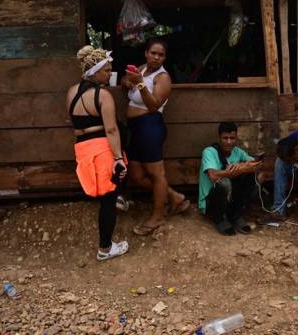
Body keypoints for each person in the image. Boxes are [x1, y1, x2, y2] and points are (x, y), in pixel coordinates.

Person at [67, 45, 129, 261]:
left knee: (108, 194)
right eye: (106, 70)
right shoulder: (103, 96)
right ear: (94, 71)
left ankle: (119, 195)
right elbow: (111, 129)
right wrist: (118, 158)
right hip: (102, 148)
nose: (109, 73)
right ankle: (105, 248)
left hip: (83, 148)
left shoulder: (71, 92)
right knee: (108, 200)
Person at [122, 38, 189, 236]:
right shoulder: (141, 69)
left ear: (165, 58)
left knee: (156, 174)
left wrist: (140, 84)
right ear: (146, 53)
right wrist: (127, 81)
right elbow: (127, 83)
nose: (156, 57)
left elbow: (153, 106)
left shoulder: (163, 78)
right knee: (136, 175)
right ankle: (174, 196)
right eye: (153, 53)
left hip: (150, 127)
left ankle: (158, 216)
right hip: (136, 128)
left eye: (161, 55)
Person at [198, 122, 263, 235]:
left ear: (236, 138)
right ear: (219, 138)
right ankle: (219, 219)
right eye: (225, 138)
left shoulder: (237, 151)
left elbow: (256, 164)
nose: (229, 142)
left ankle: (234, 215)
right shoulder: (209, 152)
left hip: (230, 199)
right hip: (211, 202)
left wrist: (240, 166)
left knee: (252, 176)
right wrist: (240, 170)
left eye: (232, 138)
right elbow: (213, 176)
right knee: (224, 182)